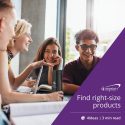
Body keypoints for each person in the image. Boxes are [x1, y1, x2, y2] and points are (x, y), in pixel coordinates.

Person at [0, 0, 63, 105]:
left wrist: (32, 66)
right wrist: (47, 97)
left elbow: (13, 84)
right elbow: (7, 96)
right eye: (28, 34)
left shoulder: (6, 57)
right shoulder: (3, 54)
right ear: (17, 34)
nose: (31, 39)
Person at [62, 29, 100, 95]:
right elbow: (64, 86)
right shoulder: (70, 67)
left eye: (92, 47)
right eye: (84, 46)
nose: (88, 51)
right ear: (77, 47)